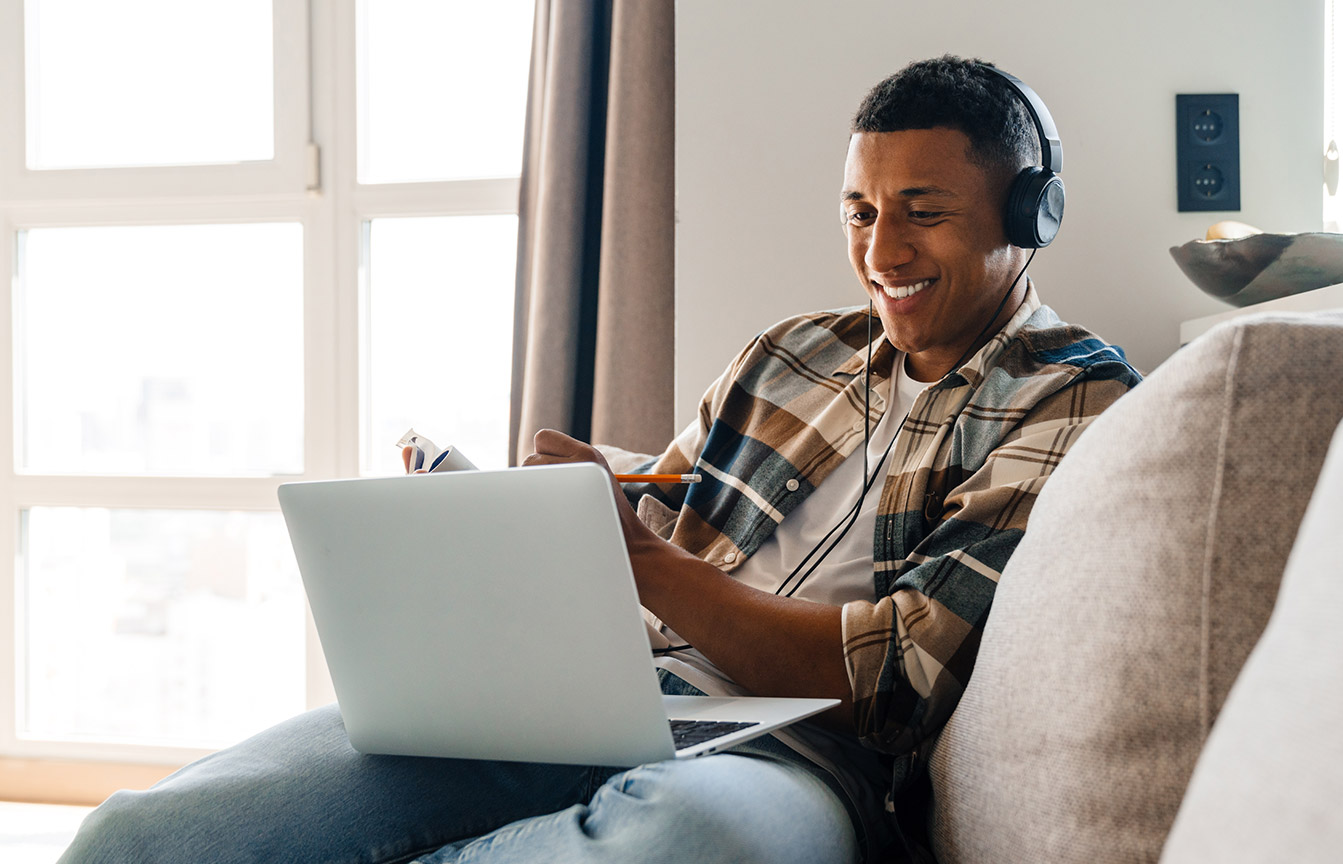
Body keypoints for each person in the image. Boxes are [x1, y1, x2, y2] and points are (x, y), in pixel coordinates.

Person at [60, 55, 1140, 864]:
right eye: (860, 211)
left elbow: (897, 678)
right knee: (143, 833)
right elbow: (673, 506)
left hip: (809, 760)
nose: (881, 252)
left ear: (1026, 213)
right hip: (603, 695)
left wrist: (643, 563)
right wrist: (564, 506)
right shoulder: (796, 351)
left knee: (678, 847)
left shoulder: (1070, 391)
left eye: (924, 214)